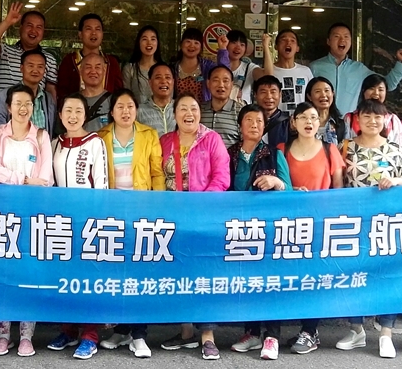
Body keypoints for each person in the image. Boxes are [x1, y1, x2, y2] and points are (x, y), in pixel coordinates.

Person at [336, 98, 402, 358]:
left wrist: (395, 180)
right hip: (354, 222)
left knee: (386, 274)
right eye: (367, 116)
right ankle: (356, 329)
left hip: (387, 221)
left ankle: (386, 333)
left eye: (377, 116)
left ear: (385, 120)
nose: (372, 121)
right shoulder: (345, 147)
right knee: (354, 273)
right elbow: (337, 182)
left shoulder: (394, 148)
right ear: (357, 119)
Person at [158, 94, 230, 359]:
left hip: (202, 217)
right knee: (178, 272)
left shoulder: (211, 139)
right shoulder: (165, 141)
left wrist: (200, 207)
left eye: (194, 108)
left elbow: (221, 177)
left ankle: (207, 336)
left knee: (203, 274)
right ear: (174, 114)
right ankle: (186, 332)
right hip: (172, 218)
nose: (189, 113)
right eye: (183, 109)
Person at [0, 84, 54, 357]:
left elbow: (46, 180)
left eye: (28, 103)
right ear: (8, 107)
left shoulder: (41, 136)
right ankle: (3, 335)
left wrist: (17, 180)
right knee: (3, 274)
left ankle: (27, 335)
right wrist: (25, 180)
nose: (23, 108)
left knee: (29, 273)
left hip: (33, 213)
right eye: (18, 103)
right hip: (1, 213)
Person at [97, 89, 163, 358]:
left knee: (139, 274)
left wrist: (156, 207)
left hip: (141, 212)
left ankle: (139, 334)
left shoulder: (149, 135)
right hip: (112, 213)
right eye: (120, 107)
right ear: (112, 112)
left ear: (137, 110)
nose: (126, 111)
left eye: (130, 106)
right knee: (118, 274)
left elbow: (157, 174)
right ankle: (123, 330)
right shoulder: (101, 136)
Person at [47, 94, 108, 359]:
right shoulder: (54, 143)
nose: (73, 116)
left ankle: (90, 335)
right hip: (60, 222)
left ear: (85, 115)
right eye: (68, 111)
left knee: (88, 278)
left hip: (87, 221)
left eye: (78, 111)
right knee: (63, 277)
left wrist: (97, 219)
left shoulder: (95, 142)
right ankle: (68, 330)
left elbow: (102, 184)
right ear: (60, 115)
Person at [227, 104, 290, 361]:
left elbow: (290, 192)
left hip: (268, 229)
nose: (254, 125)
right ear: (240, 125)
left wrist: (277, 182)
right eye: (249, 120)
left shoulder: (274, 155)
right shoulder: (229, 154)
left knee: (270, 281)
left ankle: (272, 336)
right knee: (247, 281)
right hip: (239, 229)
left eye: (259, 121)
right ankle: (251, 333)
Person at [283, 102, 345, 355]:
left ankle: (310, 331)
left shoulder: (330, 150)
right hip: (289, 225)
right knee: (294, 278)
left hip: (321, 224)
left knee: (314, 278)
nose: (309, 122)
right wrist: (291, 191)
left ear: (320, 123)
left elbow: (339, 190)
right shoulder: (282, 150)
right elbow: (279, 186)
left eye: (313, 117)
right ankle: (302, 330)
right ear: (293, 122)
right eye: (303, 117)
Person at [309, 23, 402, 115]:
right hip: (319, 122)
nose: (342, 40)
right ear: (328, 41)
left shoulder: (359, 69)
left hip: (348, 123)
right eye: (336, 36)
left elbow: (388, 84)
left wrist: (401, 63)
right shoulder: (315, 67)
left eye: (346, 36)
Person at [0, 2, 58, 97]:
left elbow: (51, 91)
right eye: (29, 25)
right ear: (21, 28)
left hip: (32, 106)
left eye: (39, 27)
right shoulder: (5, 51)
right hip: (2, 105)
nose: (33, 31)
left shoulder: (49, 59)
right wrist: (7, 22)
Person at [56, 13, 123, 101]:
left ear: (102, 34)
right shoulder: (69, 61)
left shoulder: (111, 62)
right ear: (80, 34)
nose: (93, 33)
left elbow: (119, 93)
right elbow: (62, 93)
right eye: (88, 29)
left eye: (97, 29)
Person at [0, 49, 56, 135]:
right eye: (30, 66)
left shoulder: (48, 99)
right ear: (21, 68)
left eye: (40, 67)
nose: (35, 70)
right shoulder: (4, 96)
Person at [246, 30, 312, 112]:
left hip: (300, 118)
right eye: (283, 40)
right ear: (276, 47)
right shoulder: (269, 71)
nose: (288, 43)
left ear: (297, 48)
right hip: (276, 118)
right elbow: (268, 76)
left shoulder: (305, 71)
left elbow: (311, 96)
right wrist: (266, 46)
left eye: (292, 40)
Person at [343, 74, 402, 149]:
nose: (376, 93)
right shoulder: (350, 118)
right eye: (371, 88)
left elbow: (400, 149)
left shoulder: (393, 120)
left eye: (380, 90)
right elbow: (344, 147)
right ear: (363, 91)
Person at [171, 28, 230, 102]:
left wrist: (223, 49)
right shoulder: (172, 68)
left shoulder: (208, 66)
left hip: (204, 109)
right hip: (179, 108)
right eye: (188, 41)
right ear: (181, 44)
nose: (192, 45)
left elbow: (224, 72)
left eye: (196, 43)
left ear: (201, 47)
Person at [201, 65, 243, 148]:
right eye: (216, 80)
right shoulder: (198, 110)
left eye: (225, 81)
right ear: (208, 83)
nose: (221, 85)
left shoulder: (240, 111)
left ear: (232, 84)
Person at [121, 26, 163, 105]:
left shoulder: (164, 69)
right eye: (144, 39)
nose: (149, 43)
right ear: (138, 42)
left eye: (153, 39)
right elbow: (126, 97)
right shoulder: (130, 69)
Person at [77, 53, 114, 132]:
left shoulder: (114, 101)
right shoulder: (72, 101)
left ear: (104, 71)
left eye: (97, 67)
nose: (93, 71)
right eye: (88, 67)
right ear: (80, 70)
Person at [136, 63, 176, 135]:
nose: (163, 81)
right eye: (158, 77)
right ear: (150, 82)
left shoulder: (181, 108)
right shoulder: (139, 111)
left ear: (173, 82)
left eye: (167, 77)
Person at [252, 75, 290, 151]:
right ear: (255, 95)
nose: (269, 96)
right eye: (263, 92)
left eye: (273, 92)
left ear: (280, 95)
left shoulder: (288, 124)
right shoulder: (249, 121)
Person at [305, 77, 345, 146]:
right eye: (317, 91)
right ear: (309, 97)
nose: (323, 95)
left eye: (327, 90)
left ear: (333, 94)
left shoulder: (341, 125)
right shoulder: (302, 123)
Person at [224, 29, 253, 102]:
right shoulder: (216, 68)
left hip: (244, 108)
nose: (238, 48)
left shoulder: (250, 68)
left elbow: (268, 74)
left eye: (242, 45)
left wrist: (266, 46)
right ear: (226, 44)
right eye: (234, 43)